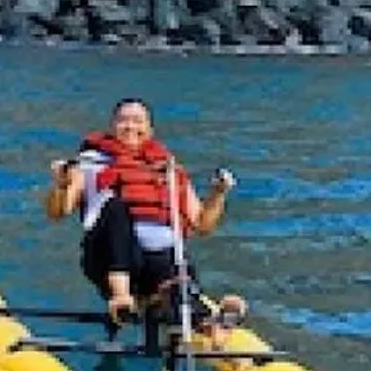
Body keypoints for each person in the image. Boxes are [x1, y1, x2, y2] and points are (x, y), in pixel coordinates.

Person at [44, 97, 243, 334]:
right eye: (123, 121)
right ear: (112, 126)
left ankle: (206, 323)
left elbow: (202, 224)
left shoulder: (168, 170)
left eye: (137, 121)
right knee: (117, 208)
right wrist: (61, 185)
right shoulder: (89, 164)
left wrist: (217, 194)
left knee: (176, 275)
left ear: (150, 130)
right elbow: (58, 212)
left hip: (158, 264)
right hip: (107, 260)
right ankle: (122, 298)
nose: (130, 127)